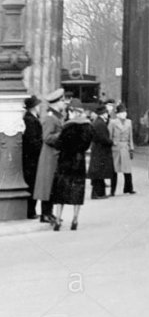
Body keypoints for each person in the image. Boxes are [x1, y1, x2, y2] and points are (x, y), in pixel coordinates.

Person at [50, 99, 93, 231]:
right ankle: (75, 220)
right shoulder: (88, 126)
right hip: (78, 162)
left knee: (61, 192)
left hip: (65, 161)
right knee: (77, 191)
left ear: (71, 111)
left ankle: (58, 219)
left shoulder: (67, 126)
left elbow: (58, 144)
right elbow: (87, 145)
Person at [33, 88, 66, 224]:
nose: (64, 103)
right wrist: (63, 135)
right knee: (48, 186)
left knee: (52, 186)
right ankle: (45, 214)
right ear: (56, 102)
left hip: (54, 155)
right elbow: (46, 137)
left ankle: (49, 213)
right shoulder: (50, 118)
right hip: (50, 156)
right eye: (62, 101)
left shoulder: (55, 116)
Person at [21, 95, 42, 219]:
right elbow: (33, 140)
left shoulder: (31, 118)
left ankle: (31, 210)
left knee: (32, 183)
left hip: (31, 157)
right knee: (32, 184)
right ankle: (31, 211)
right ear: (34, 107)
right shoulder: (30, 120)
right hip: (32, 158)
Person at [88, 104, 114, 199]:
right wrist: (111, 142)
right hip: (101, 151)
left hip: (98, 150)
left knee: (98, 173)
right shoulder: (100, 124)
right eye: (106, 113)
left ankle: (99, 193)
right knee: (99, 172)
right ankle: (98, 193)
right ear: (103, 114)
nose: (107, 114)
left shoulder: (98, 122)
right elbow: (103, 138)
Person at [109, 103, 135, 194]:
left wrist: (131, 148)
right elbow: (110, 136)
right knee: (114, 170)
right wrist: (111, 145)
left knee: (127, 169)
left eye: (125, 112)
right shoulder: (112, 122)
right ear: (118, 114)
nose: (124, 114)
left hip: (125, 147)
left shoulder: (129, 122)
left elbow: (130, 136)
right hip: (116, 147)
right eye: (122, 112)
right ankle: (112, 190)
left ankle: (128, 188)